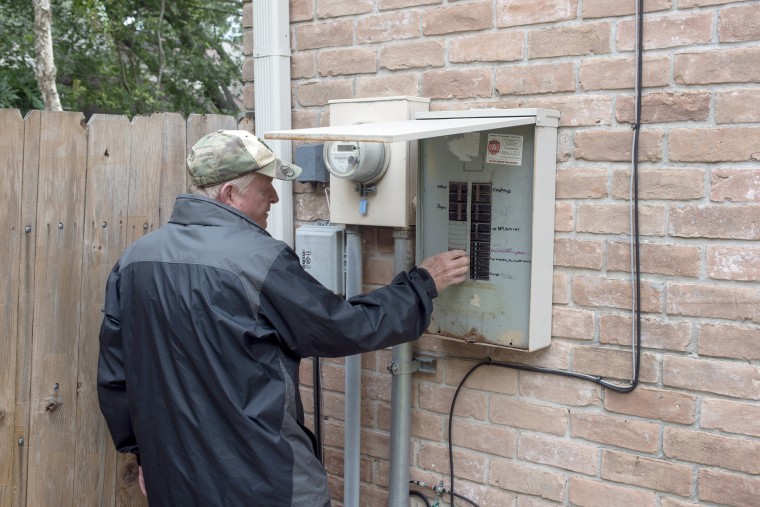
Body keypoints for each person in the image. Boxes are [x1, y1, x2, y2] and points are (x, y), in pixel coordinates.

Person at [97, 130, 470, 506]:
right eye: (266, 187)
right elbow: (344, 326)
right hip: (262, 482)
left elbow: (117, 376)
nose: (275, 197)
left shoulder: (134, 260)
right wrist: (422, 284)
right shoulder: (257, 260)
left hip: (175, 480)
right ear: (230, 193)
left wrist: (143, 455)